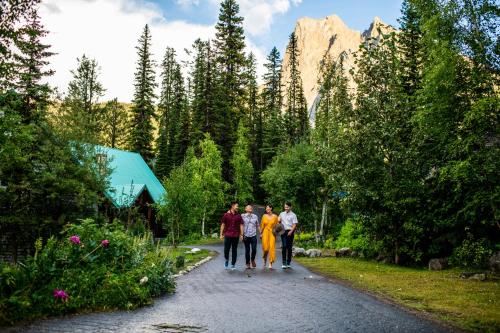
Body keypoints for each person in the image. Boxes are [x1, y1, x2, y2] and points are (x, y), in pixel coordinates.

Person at [220, 201, 244, 270]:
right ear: (232, 206)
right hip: (227, 235)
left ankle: (233, 264)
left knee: (234, 250)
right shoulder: (226, 215)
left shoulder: (239, 216)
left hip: (235, 235)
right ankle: (226, 260)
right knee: (226, 249)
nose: (237, 207)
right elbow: (223, 225)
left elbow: (241, 225)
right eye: (237, 206)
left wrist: (242, 235)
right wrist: (221, 234)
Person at [278, 202, 298, 269]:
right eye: (285, 207)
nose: (286, 208)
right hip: (283, 231)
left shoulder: (293, 215)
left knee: (289, 247)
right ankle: (284, 262)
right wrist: (279, 220)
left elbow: (295, 224)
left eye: (287, 207)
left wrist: (291, 231)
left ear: (290, 207)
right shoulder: (281, 214)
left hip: (290, 231)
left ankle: (288, 262)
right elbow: (279, 221)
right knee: (284, 246)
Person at [260, 204, 278, 269]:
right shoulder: (264, 216)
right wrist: (261, 233)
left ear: (271, 208)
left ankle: (270, 263)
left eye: (268, 208)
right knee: (265, 248)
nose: (267, 209)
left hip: (272, 233)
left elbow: (277, 226)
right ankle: (264, 260)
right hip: (265, 232)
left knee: (271, 247)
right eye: (266, 208)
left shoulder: (275, 216)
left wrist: (276, 233)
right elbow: (262, 225)